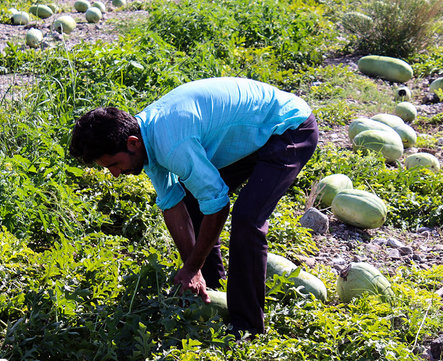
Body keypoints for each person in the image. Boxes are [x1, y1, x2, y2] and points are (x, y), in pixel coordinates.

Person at [70, 77, 318, 337]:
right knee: (192, 197)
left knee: (247, 220)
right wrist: (193, 267)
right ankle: (210, 283)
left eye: (114, 164)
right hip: (252, 132)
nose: (115, 174)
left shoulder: (172, 144)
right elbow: (172, 205)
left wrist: (189, 267)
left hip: (288, 128)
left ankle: (247, 326)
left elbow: (218, 206)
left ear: (132, 143)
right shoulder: (146, 138)